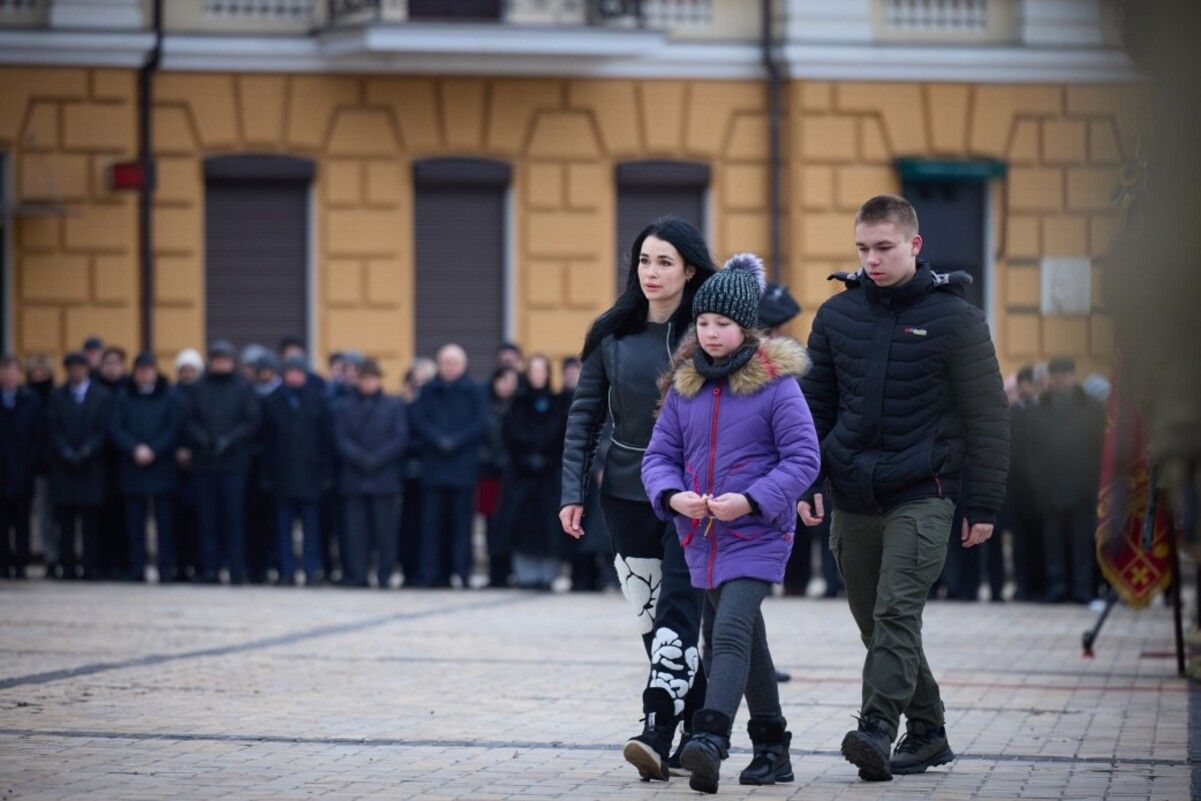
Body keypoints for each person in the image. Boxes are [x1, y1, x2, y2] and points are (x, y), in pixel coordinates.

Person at [799, 195, 1009, 781]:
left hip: (925, 490)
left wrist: (984, 503)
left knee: (896, 612)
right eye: (863, 248)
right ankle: (929, 730)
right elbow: (814, 406)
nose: (872, 260)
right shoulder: (835, 316)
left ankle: (874, 728)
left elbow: (987, 416)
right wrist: (810, 477)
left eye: (884, 248)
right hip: (853, 494)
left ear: (914, 245)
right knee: (873, 620)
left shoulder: (956, 319)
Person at [641, 254, 821, 793]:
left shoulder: (776, 385)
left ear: (745, 327)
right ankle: (771, 747)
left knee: (729, 631)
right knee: (749, 641)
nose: (711, 333)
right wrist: (673, 497)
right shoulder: (684, 386)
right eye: (703, 323)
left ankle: (710, 738)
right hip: (702, 534)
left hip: (759, 530)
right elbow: (657, 457)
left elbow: (803, 459)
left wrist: (750, 500)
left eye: (722, 323)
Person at [560, 215, 716, 781]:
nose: (651, 272)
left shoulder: (710, 335)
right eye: (644, 261)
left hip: (691, 497)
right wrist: (572, 493)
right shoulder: (612, 334)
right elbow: (584, 418)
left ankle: (656, 725)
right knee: (652, 619)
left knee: (678, 608)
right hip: (624, 494)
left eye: (665, 262)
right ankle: (698, 724)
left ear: (689, 269)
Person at [408, 344, 489, 588]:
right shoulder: (427, 391)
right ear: (438, 364)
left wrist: (455, 441)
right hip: (434, 467)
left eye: (454, 363)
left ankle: (462, 574)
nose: (449, 367)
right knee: (431, 527)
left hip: (463, 468)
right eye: (445, 362)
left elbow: (480, 423)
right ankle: (432, 574)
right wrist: (438, 440)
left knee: (461, 527)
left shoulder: (474, 391)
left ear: (463, 365)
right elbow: (419, 421)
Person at [1028, 356, 1105, 604]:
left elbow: (1099, 448)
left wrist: (1093, 480)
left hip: (1082, 487)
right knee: (1053, 543)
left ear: (1073, 376)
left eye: (1064, 374)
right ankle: (1057, 589)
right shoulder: (1039, 409)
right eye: (1055, 375)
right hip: (1049, 488)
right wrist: (1038, 481)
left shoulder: (1092, 408)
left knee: (1082, 542)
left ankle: (1082, 589)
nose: (1060, 380)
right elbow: (1032, 451)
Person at [185, 340, 261, 584]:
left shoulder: (243, 387)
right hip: (204, 462)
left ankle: (236, 570)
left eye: (225, 359)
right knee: (207, 520)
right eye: (216, 359)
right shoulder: (198, 388)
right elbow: (188, 420)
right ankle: (210, 568)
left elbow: (251, 421)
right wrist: (205, 440)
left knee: (234, 520)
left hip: (234, 464)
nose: (220, 363)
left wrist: (229, 440)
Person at [333, 359, 407, 588]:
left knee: (385, 532)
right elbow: (340, 438)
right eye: (364, 379)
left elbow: (399, 438)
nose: (368, 383)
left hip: (384, 477)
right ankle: (358, 575)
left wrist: (378, 458)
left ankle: (385, 574)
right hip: (354, 477)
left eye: (372, 378)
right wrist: (360, 458)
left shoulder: (393, 405)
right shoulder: (344, 406)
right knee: (355, 533)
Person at [262, 355, 334, 586]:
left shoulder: (319, 401)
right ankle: (286, 571)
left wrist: (326, 475)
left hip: (311, 476)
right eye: (290, 372)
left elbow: (327, 442)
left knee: (312, 529)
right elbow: (266, 443)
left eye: (298, 372)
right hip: (282, 475)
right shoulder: (272, 401)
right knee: (282, 529)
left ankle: (312, 570)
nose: (294, 376)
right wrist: (267, 476)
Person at [110, 353, 181, 582]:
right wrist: (134, 448)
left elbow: (173, 429)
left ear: (155, 371)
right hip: (133, 467)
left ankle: (166, 568)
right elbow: (116, 428)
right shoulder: (123, 397)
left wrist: (154, 450)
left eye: (148, 369)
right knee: (134, 525)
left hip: (161, 467)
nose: (144, 374)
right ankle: (136, 568)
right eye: (140, 370)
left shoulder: (170, 396)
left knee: (165, 524)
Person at [502, 355, 566, 590]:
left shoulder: (559, 403)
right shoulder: (518, 404)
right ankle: (525, 575)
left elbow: (564, 436)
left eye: (542, 370)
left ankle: (548, 575)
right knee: (524, 526)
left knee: (549, 526)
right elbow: (510, 435)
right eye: (533, 371)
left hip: (550, 475)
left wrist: (547, 459)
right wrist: (526, 458)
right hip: (523, 476)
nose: (537, 375)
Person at [47, 352, 112, 580]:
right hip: (65, 469)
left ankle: (91, 567)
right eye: (71, 368)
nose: (76, 372)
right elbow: (52, 430)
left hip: (91, 468)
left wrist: (86, 451)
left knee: (90, 526)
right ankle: (68, 568)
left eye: (80, 367)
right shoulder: (56, 396)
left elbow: (104, 430)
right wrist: (65, 451)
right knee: (65, 525)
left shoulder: (102, 396)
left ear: (87, 370)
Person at [0, 355, 42, 579]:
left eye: (12, 371)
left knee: (22, 521)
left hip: (23, 469)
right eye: (4, 371)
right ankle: (4, 563)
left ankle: (21, 564)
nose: (8, 375)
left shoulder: (30, 400)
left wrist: (31, 463)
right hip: (2, 471)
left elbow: (38, 435)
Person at [1006, 365, 1044, 600]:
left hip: (1040, 490)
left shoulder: (1043, 412)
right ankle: (1023, 586)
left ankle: (1039, 586)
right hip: (1018, 488)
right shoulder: (1012, 414)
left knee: (1038, 541)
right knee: (1021, 543)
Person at [481, 366, 520, 587]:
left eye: (510, 380)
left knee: (510, 522)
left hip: (513, 474)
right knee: (491, 523)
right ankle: (494, 572)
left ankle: (510, 571)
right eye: (502, 380)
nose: (506, 385)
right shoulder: (484, 407)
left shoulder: (520, 406)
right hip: (489, 475)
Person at [96, 346, 129, 580]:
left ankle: (123, 565)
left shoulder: (129, 389)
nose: (111, 367)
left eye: (116, 363)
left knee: (124, 517)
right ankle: (103, 564)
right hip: (98, 463)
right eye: (108, 363)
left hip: (127, 462)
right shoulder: (94, 389)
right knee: (102, 517)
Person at [24, 354, 57, 575]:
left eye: (42, 373)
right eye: (34, 373)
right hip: (30, 466)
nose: (38, 377)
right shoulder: (24, 398)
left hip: (57, 466)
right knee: (41, 515)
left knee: (56, 516)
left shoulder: (56, 397)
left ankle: (57, 558)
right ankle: (47, 556)